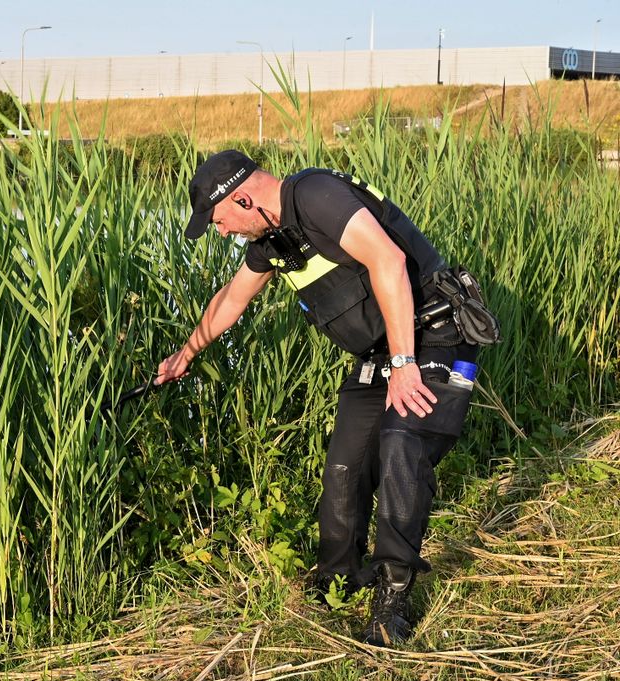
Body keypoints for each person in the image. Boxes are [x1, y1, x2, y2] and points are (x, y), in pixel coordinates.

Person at [155, 150, 490, 647]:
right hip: (382, 350)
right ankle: (338, 579)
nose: (222, 233)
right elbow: (232, 299)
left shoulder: (314, 195)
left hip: (432, 336)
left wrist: (403, 366)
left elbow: (389, 261)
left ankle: (393, 597)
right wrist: (185, 354)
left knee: (401, 443)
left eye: (221, 221)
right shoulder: (272, 239)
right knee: (343, 468)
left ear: (243, 197)